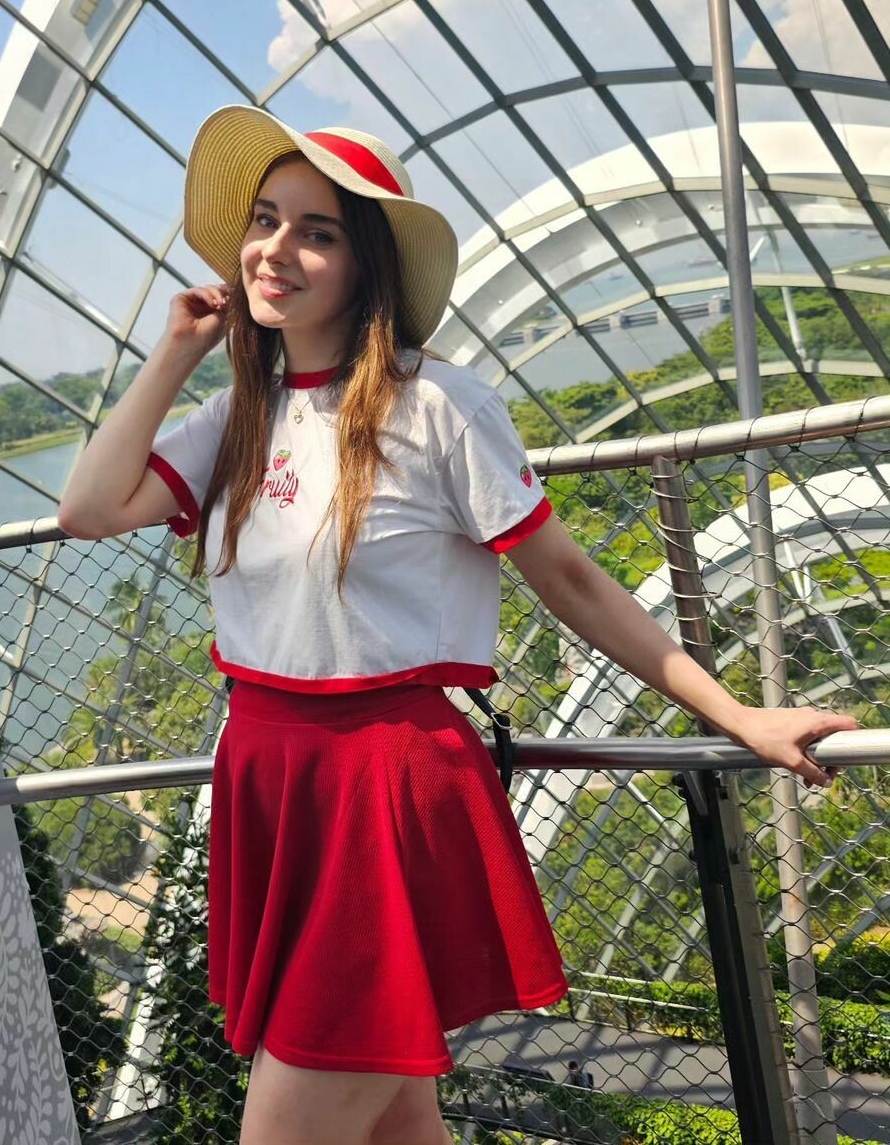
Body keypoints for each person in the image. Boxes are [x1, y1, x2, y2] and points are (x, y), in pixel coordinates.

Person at [58, 104, 859, 1145]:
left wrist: (737, 716)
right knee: (396, 1120)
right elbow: (88, 509)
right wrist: (177, 349)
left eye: (317, 231)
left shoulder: (437, 406)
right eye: (264, 220)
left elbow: (570, 580)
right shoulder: (239, 418)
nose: (277, 250)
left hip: (381, 790)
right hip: (273, 775)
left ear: (368, 266)